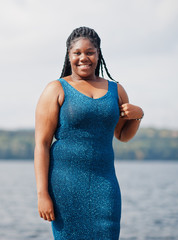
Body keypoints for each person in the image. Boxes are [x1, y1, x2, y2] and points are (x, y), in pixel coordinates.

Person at [34, 26, 144, 240]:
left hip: (105, 184)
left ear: (98, 54)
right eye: (77, 53)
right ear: (69, 55)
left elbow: (122, 135)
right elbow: (42, 144)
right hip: (66, 186)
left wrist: (138, 116)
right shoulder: (55, 89)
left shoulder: (116, 90)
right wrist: (42, 194)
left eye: (90, 52)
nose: (83, 58)